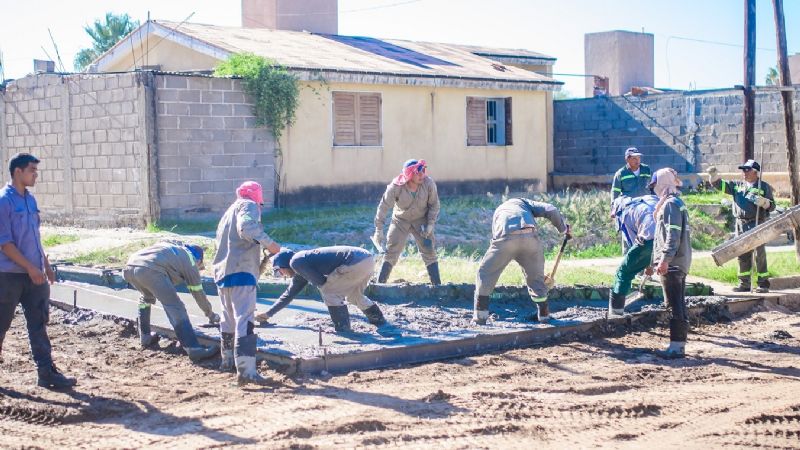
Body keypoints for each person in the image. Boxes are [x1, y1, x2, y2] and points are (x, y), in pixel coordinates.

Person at [0, 153, 77, 389]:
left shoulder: (30, 200)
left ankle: (46, 373)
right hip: (9, 276)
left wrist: (44, 264)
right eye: (32, 170)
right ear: (18, 172)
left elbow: (35, 236)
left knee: (39, 323)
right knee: (1, 324)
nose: (36, 174)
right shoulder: (4, 201)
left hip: (35, 275)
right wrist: (30, 267)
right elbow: (5, 243)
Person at [213, 181, 281, 386]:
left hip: (222, 271)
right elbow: (247, 227)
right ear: (257, 197)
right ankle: (246, 371)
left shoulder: (228, 212)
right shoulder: (248, 206)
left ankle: (227, 362)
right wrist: (271, 245)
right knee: (245, 318)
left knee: (228, 318)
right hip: (242, 269)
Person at [472, 198, 571, 325]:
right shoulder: (525, 204)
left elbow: (496, 236)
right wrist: (563, 229)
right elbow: (550, 209)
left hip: (505, 237)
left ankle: (480, 316)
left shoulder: (499, 211)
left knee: (485, 273)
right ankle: (544, 315)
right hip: (530, 237)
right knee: (536, 279)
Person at [123, 241, 220, 362]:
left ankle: (145, 337)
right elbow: (197, 292)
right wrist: (211, 314)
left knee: (146, 298)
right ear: (198, 260)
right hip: (150, 270)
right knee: (175, 306)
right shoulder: (190, 260)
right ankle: (194, 349)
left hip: (130, 267)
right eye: (199, 266)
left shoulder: (172, 251)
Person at [262, 246, 387, 332]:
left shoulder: (295, 262)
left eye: (280, 271)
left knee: (328, 291)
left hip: (353, 261)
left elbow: (321, 282)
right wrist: (268, 314)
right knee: (354, 296)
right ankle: (378, 319)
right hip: (367, 260)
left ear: (284, 263)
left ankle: (343, 328)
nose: (282, 275)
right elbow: (289, 294)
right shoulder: (301, 263)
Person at [707, 160, 775, 292]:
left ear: (755, 172)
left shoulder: (764, 187)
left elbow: (772, 206)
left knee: (758, 253)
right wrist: (713, 176)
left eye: (747, 170)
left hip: (757, 222)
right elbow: (720, 185)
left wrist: (765, 203)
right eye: (743, 170)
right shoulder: (737, 185)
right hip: (741, 224)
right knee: (742, 253)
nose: (744, 172)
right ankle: (744, 284)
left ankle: (763, 284)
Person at [373, 159, 441, 285]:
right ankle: (380, 284)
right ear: (409, 174)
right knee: (391, 251)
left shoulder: (429, 184)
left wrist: (430, 224)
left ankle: (437, 287)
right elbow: (383, 207)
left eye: (423, 171)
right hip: (400, 221)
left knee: (429, 251)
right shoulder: (395, 187)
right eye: (418, 173)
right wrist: (378, 230)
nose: (422, 175)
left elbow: (434, 205)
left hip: (422, 221)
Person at [648, 168, 692, 359]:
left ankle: (676, 347)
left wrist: (665, 259)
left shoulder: (670, 205)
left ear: (662, 184)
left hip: (673, 263)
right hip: (679, 261)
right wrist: (653, 262)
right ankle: (679, 344)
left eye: (655, 185)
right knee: (678, 303)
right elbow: (663, 236)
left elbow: (672, 235)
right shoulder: (676, 203)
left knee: (674, 305)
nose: (654, 190)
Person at [608, 195, 658, 316]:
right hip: (668, 238)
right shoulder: (647, 200)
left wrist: (646, 263)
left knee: (623, 272)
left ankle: (616, 311)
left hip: (648, 240)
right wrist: (650, 264)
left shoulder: (624, 213)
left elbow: (634, 243)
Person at [611, 148, 653, 253]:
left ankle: (646, 262)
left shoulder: (646, 170)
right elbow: (615, 193)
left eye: (638, 158)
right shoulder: (621, 174)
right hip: (629, 211)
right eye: (634, 158)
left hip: (646, 209)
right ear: (627, 159)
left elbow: (653, 188)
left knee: (646, 235)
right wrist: (613, 209)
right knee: (629, 238)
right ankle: (628, 260)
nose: (637, 160)